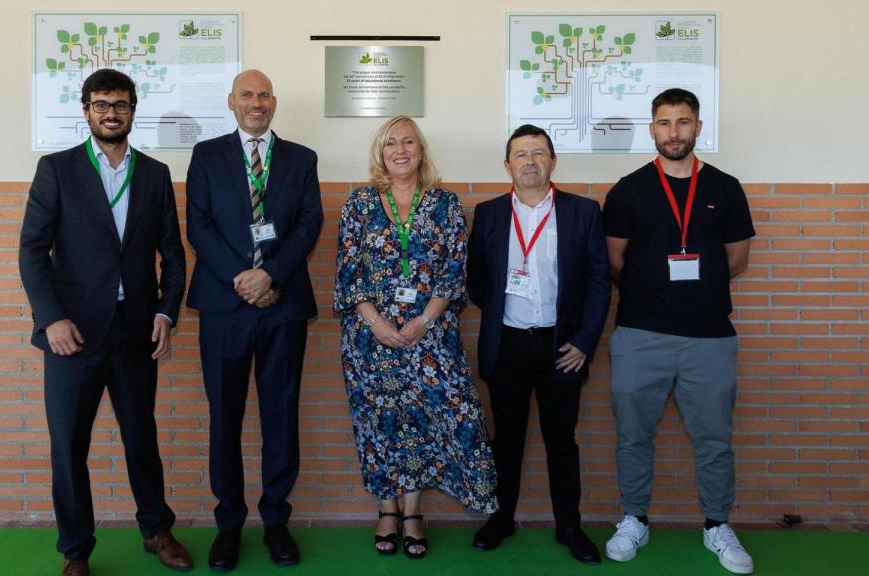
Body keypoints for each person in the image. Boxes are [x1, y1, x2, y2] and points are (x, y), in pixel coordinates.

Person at [19, 68, 190, 576]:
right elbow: (32, 251)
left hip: (135, 330)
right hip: (73, 335)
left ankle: (157, 530)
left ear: (133, 111)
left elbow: (173, 255)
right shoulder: (57, 169)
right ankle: (76, 551)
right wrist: (51, 319)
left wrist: (166, 311)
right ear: (86, 111)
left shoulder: (155, 174)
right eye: (101, 104)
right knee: (69, 445)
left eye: (119, 104)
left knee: (142, 439)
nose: (110, 113)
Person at [601, 88, 755, 575]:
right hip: (640, 334)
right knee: (633, 436)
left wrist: (697, 290)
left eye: (683, 122)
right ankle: (634, 518)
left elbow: (737, 259)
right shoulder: (628, 189)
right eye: (665, 123)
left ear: (698, 128)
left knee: (713, 439)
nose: (674, 132)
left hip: (709, 336)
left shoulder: (726, 188)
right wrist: (652, 293)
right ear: (652, 130)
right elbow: (614, 260)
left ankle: (716, 524)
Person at [334, 115, 498, 559]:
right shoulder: (360, 203)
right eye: (391, 143)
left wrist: (422, 321)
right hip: (370, 340)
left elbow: (452, 272)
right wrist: (378, 323)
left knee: (430, 420)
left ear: (421, 150)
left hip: (432, 336)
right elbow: (348, 275)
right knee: (381, 422)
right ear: (380, 153)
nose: (400, 150)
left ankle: (413, 511)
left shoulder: (445, 204)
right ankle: (387, 511)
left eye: (409, 141)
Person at [185, 69, 322, 570]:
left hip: (282, 305)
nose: (256, 102)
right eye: (247, 94)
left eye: (264, 94)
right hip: (225, 306)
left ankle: (276, 521)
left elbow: (310, 224)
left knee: (280, 415)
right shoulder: (207, 155)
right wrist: (243, 278)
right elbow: (197, 224)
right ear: (231, 102)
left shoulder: (301, 159)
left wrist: (271, 277)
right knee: (226, 416)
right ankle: (228, 524)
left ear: (275, 102)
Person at [467, 124, 610, 565]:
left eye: (539, 153)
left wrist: (584, 341)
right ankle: (501, 517)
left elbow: (599, 282)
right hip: (508, 344)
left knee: (561, 441)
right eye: (520, 154)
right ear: (507, 164)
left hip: (561, 349)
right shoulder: (489, 213)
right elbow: (476, 281)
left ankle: (569, 526)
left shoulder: (583, 212)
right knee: (505, 439)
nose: (530, 161)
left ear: (553, 161)